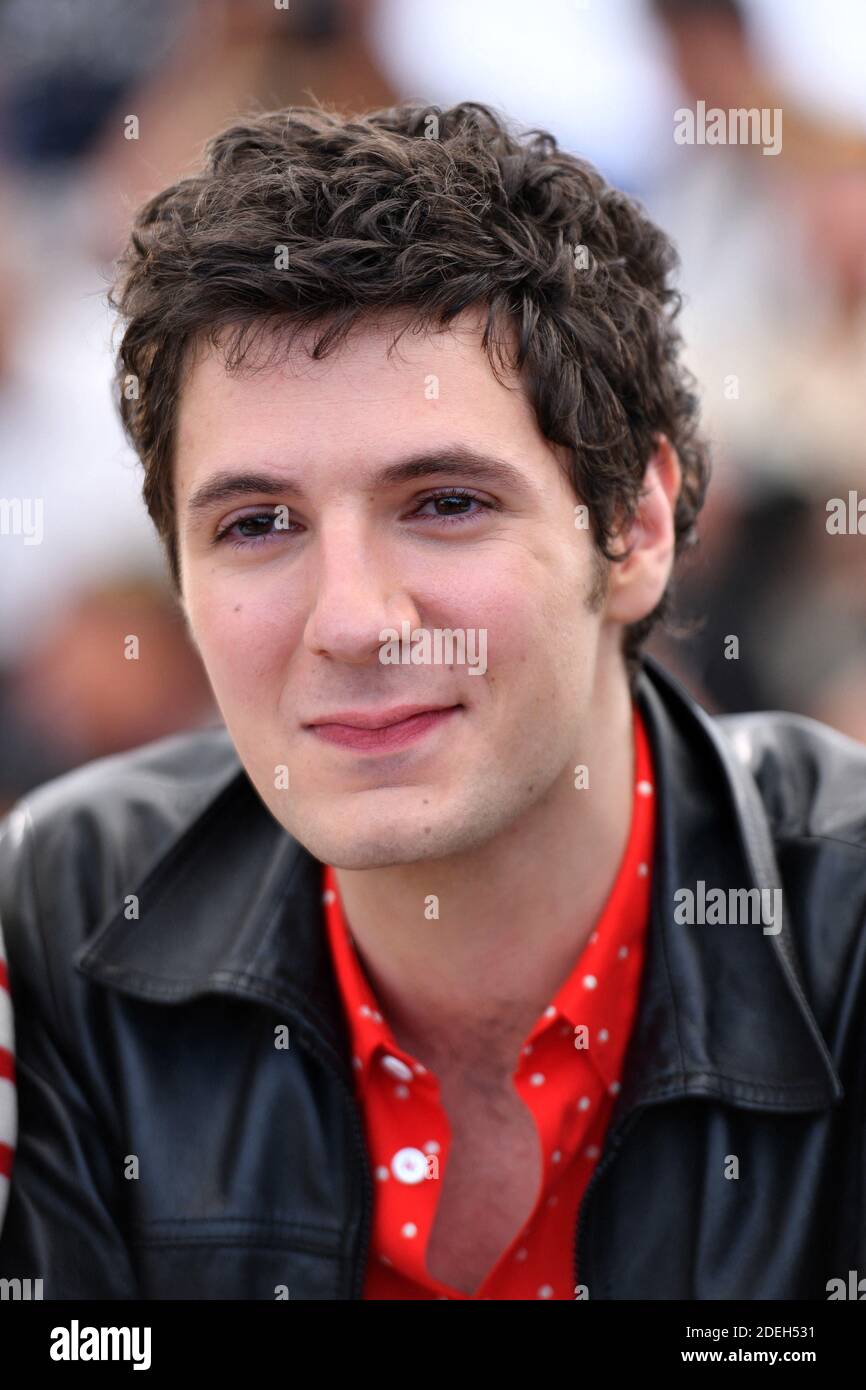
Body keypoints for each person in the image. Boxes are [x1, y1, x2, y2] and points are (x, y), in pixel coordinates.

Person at [0, 99, 864, 1301]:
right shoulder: (58, 912)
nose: (352, 619)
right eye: (256, 526)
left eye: (445, 502)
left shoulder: (846, 926)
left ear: (636, 528)